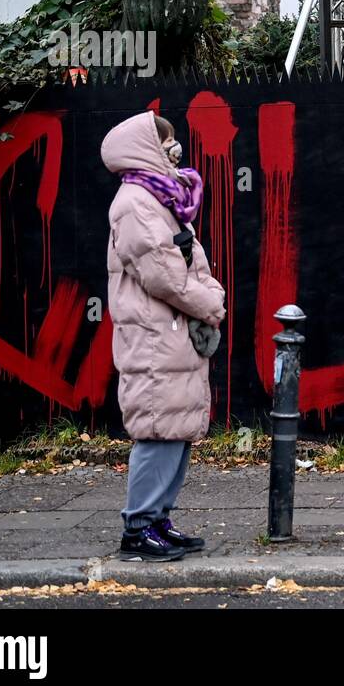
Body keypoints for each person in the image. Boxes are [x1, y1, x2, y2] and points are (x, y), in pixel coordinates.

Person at [102, 111, 226, 562]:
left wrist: (208, 290)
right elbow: (164, 275)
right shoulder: (135, 202)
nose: (175, 148)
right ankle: (137, 530)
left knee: (176, 428)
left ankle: (158, 520)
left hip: (171, 333)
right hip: (155, 336)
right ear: (144, 150)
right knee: (157, 430)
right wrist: (210, 303)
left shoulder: (160, 197)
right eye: (166, 141)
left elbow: (187, 262)